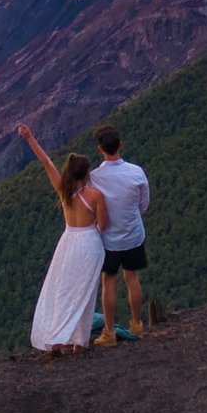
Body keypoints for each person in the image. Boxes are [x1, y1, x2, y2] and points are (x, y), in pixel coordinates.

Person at [20, 124, 108, 353]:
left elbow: (47, 162)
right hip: (90, 243)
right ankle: (79, 342)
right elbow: (104, 224)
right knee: (85, 293)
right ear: (87, 173)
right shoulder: (96, 195)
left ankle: (56, 341)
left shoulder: (63, 191)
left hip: (68, 242)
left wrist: (30, 137)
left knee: (62, 291)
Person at [89, 124, 149, 346]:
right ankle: (137, 325)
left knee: (109, 283)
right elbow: (144, 206)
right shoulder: (137, 172)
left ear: (100, 149)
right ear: (120, 145)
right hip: (133, 236)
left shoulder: (94, 177)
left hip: (108, 241)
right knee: (132, 278)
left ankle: (109, 333)